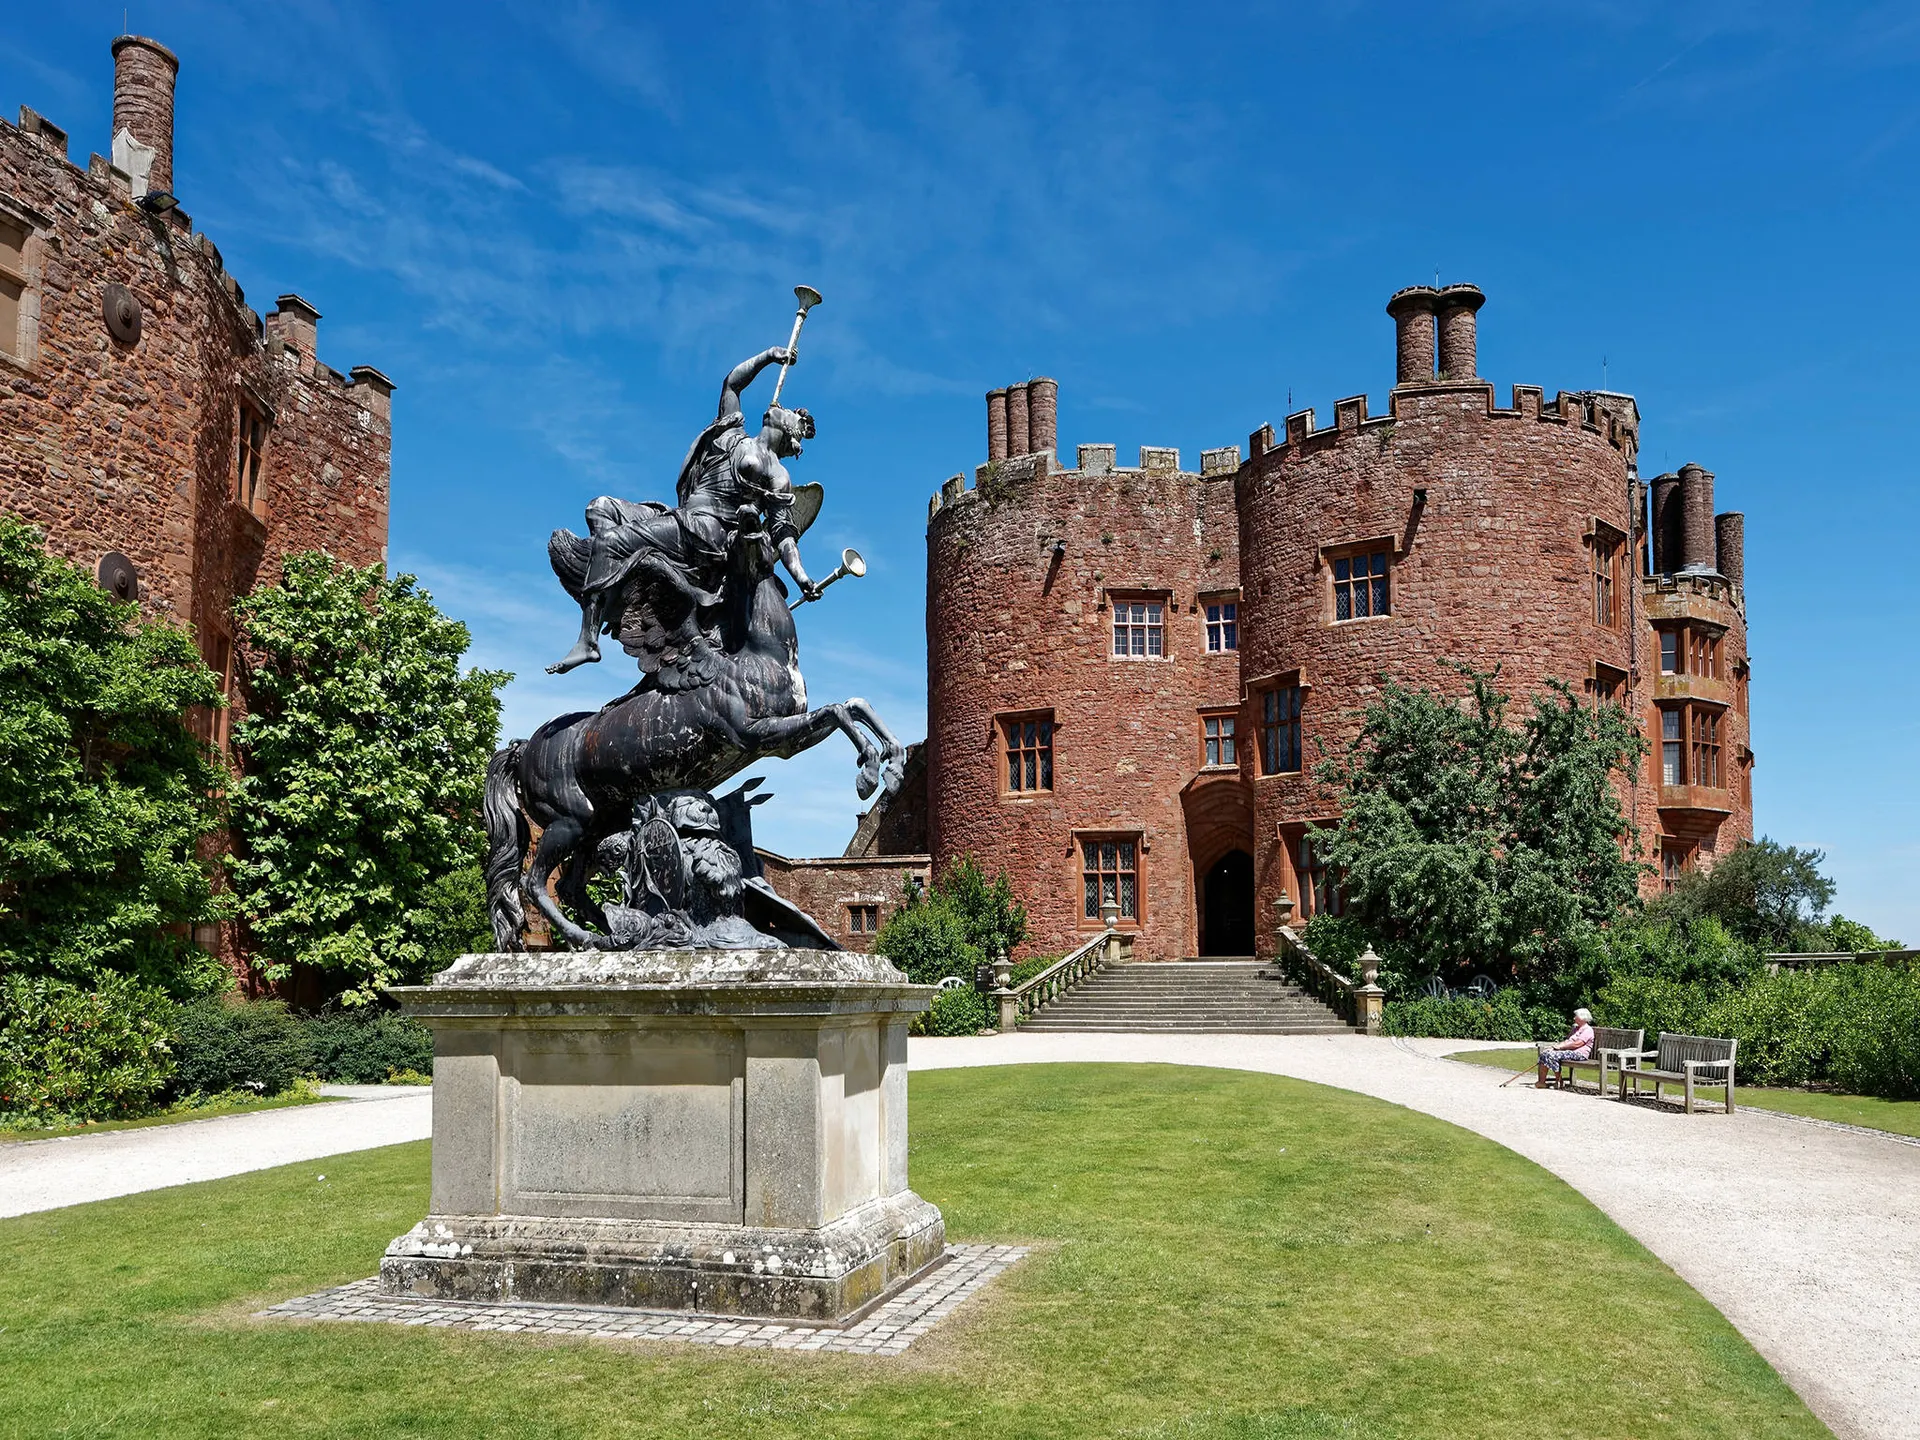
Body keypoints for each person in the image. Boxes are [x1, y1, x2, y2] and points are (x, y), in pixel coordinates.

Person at [547, 345, 823, 674]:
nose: (781, 407)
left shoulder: (778, 474)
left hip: (705, 534)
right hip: (679, 517)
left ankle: (588, 641)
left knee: (610, 543)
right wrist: (768, 357)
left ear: (792, 431)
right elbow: (732, 384)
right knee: (600, 508)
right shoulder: (732, 432)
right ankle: (622, 597)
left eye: (790, 411)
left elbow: (782, 533)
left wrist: (802, 577)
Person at [1535, 1007, 1595, 1089]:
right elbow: (1568, 1041)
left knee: (1552, 1056)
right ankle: (1542, 1082)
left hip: (1579, 1054)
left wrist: (1560, 1047)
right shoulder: (1576, 1029)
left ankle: (1559, 1081)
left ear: (1582, 1018)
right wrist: (1554, 1047)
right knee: (1545, 1053)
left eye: (1576, 1016)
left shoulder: (1588, 1030)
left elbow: (1577, 1044)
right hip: (1569, 1052)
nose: (1574, 1018)